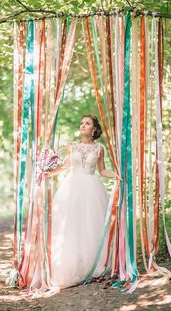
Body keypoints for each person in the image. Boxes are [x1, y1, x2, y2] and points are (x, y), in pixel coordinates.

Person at [43, 114, 121, 296]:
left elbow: (102, 171)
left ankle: (92, 265)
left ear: (94, 129)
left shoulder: (100, 148)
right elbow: (63, 166)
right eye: (82, 123)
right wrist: (47, 173)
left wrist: (117, 176)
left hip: (92, 187)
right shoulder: (72, 146)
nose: (83, 125)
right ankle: (70, 264)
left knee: (90, 225)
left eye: (87, 123)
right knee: (70, 225)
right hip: (71, 187)